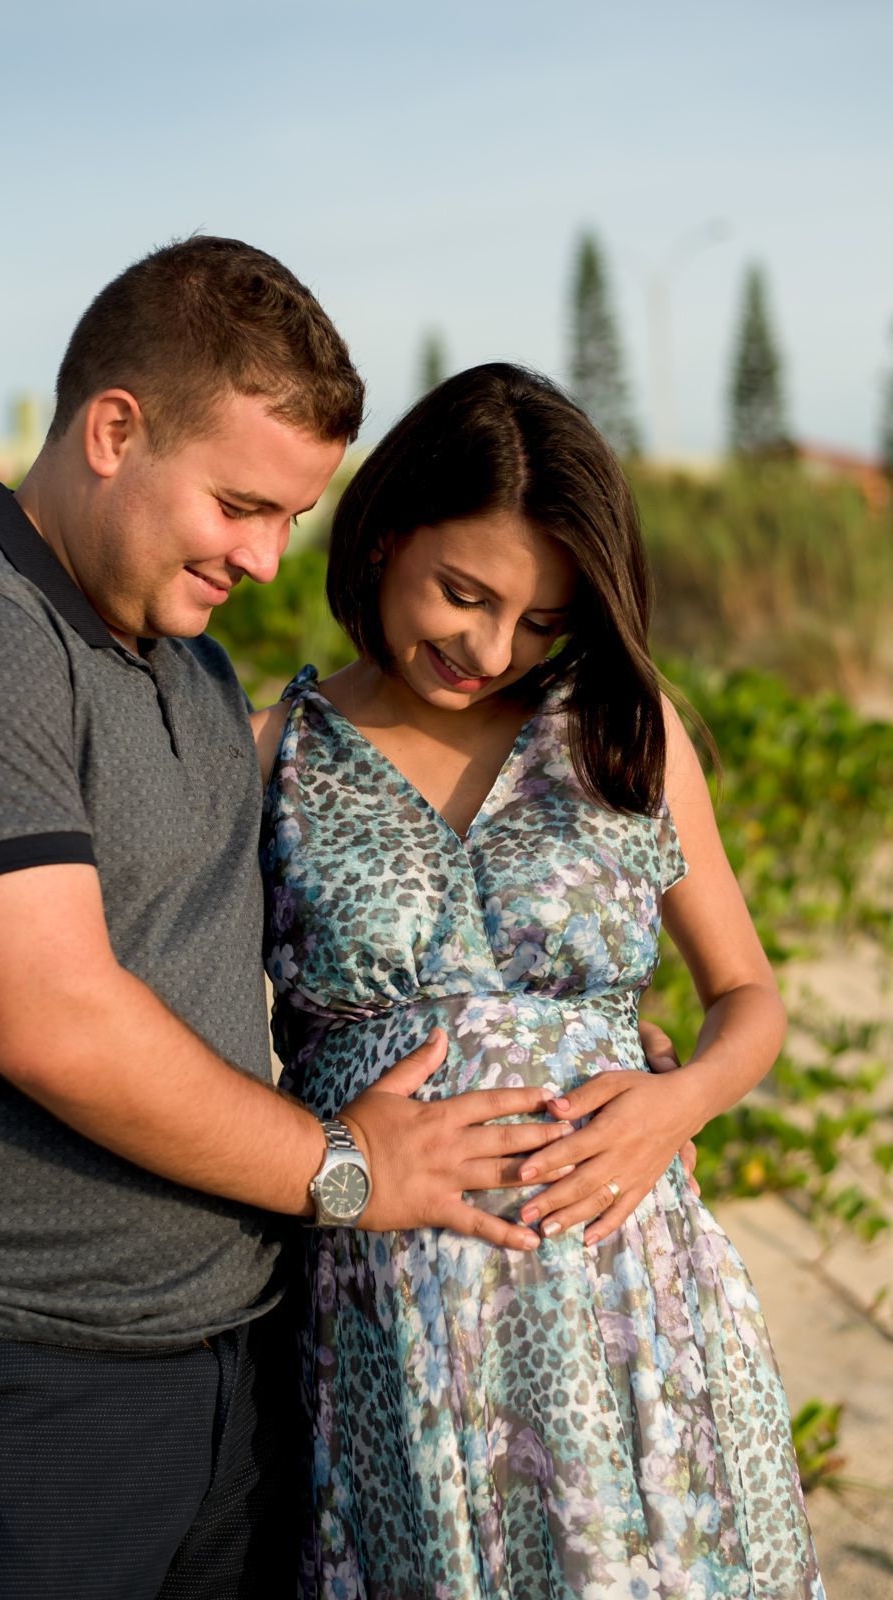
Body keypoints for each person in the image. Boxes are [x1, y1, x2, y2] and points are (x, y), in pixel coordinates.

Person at [0, 242, 589, 1600]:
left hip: (224, 1368)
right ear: (114, 430)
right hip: (6, 1377)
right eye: (240, 503)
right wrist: (352, 1169)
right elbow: (53, 1021)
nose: (263, 554)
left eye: (292, 515)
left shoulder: (192, 670)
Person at [252, 364, 824, 1599]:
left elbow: (748, 997)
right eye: (464, 593)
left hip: (630, 1298)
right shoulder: (274, 749)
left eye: (540, 624)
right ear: (388, 530)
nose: (490, 648)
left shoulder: (627, 729)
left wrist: (677, 1104)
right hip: (391, 1314)